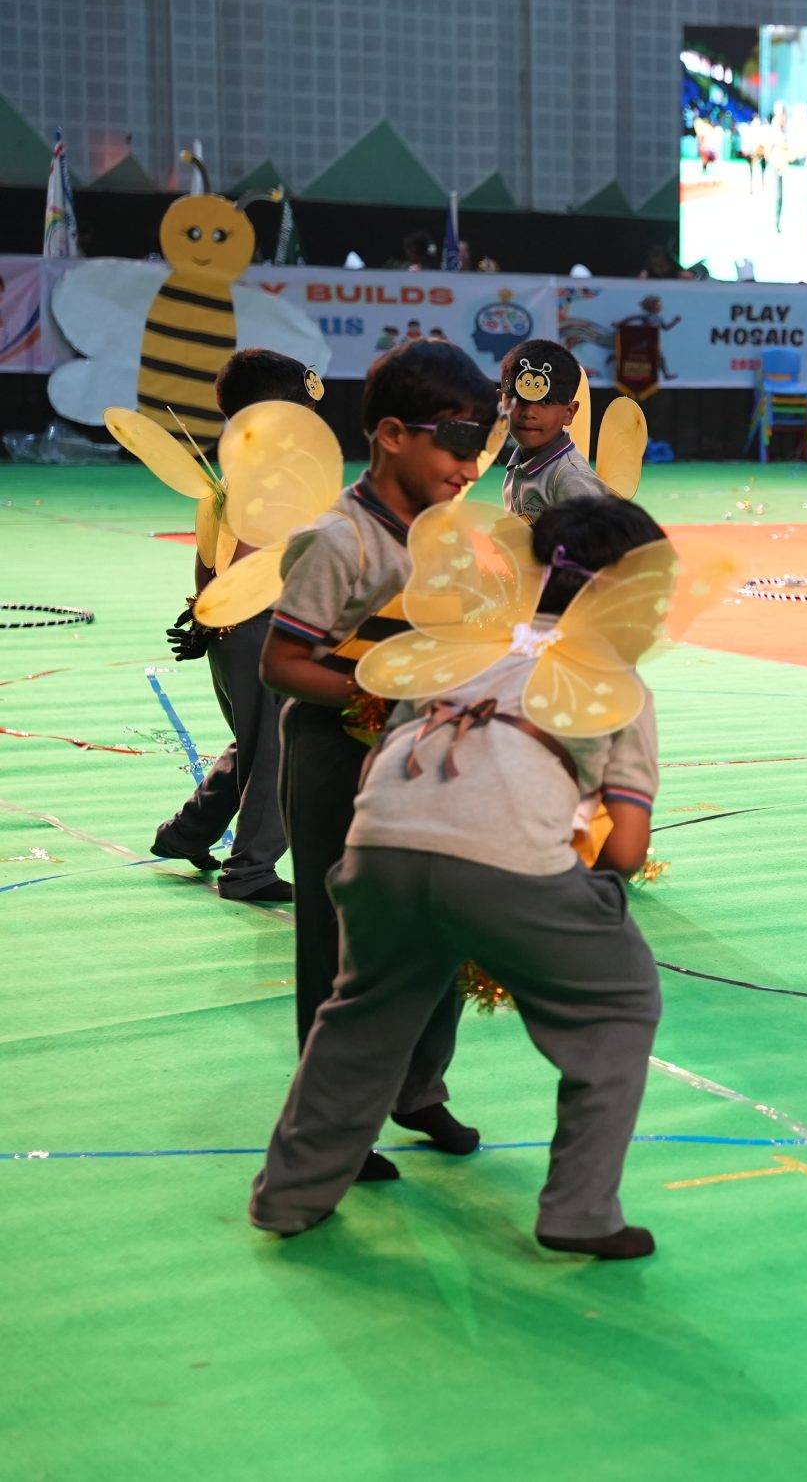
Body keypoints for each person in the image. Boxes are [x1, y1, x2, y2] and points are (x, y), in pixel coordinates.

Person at [249, 496, 672, 1259]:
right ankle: (579, 1210)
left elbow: (382, 763)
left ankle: (289, 1192)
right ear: (628, 592)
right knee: (619, 1001)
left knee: (362, 1014)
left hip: (378, 849)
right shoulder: (616, 682)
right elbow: (627, 851)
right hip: (505, 866)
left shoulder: (461, 646)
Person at [260, 339, 495, 1168]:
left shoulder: (449, 533)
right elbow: (282, 662)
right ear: (392, 434)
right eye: (456, 444)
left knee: (443, 918)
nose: (471, 467)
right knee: (341, 939)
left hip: (427, 748)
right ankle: (333, 1119)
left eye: (480, 446)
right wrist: (378, 695)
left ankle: (417, 1087)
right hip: (336, 752)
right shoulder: (340, 540)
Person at [147, 350, 323, 905]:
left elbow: (209, 550)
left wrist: (206, 610)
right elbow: (251, 558)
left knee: (255, 742)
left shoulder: (237, 464)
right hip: (265, 627)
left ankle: (186, 833)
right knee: (283, 752)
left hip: (230, 629)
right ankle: (250, 871)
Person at [497, 339, 611, 522]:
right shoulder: (520, 463)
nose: (529, 413)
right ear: (501, 402)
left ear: (569, 412)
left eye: (546, 401)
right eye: (517, 399)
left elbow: (597, 539)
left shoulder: (572, 479)